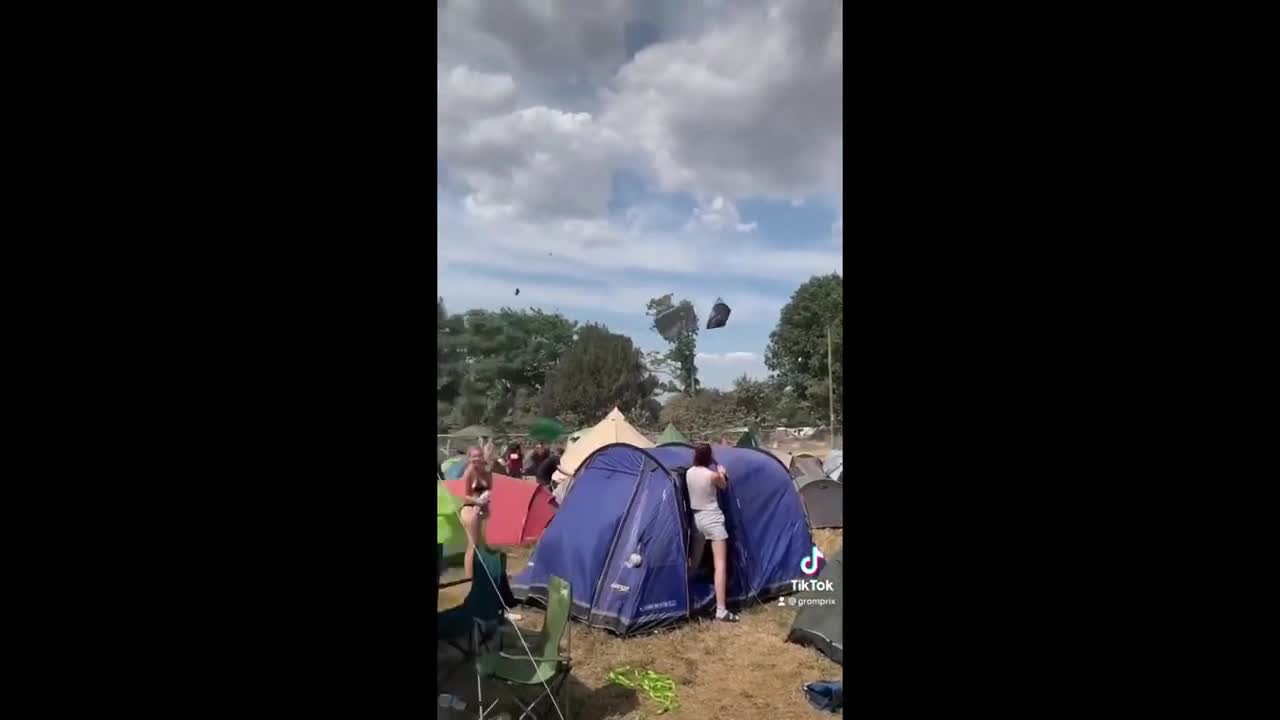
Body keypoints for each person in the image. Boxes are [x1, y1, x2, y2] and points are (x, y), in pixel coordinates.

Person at [686, 442, 738, 622]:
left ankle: (686, 598)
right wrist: (722, 472)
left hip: (697, 519)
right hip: (713, 519)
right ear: (709, 457)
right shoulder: (712, 475)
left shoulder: (689, 473)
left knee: (694, 561)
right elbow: (723, 486)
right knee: (720, 565)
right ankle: (721, 610)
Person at [457, 446, 492, 580]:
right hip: (470, 509)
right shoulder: (469, 472)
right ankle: (469, 578)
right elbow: (464, 496)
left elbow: (488, 489)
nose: (477, 459)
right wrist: (478, 501)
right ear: (469, 457)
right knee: (473, 546)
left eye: (479, 456)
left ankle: (479, 575)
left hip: (481, 510)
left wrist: (485, 499)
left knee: (481, 545)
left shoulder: (484, 472)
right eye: (474, 456)